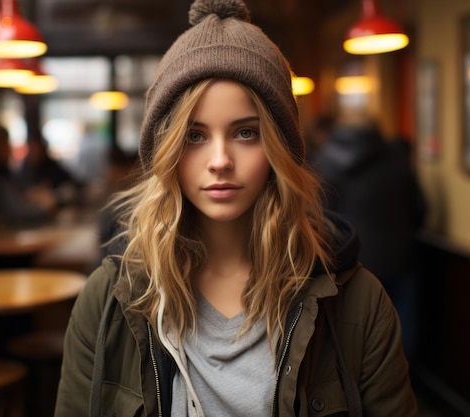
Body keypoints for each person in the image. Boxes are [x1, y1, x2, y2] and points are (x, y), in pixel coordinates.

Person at [55, 1, 418, 416]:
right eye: (194, 135)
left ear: (279, 148)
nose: (220, 160)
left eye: (246, 132)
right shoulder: (108, 302)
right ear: (166, 149)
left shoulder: (358, 304)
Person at [311, 119, 427, 364]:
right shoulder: (397, 162)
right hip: (399, 256)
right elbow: (420, 210)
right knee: (402, 319)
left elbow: (319, 220)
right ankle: (401, 376)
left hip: (350, 260)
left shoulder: (324, 164)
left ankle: (361, 383)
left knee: (354, 325)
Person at [0, 125, 56, 226]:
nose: (8, 148)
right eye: (4, 144)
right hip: (11, 233)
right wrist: (46, 208)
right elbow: (18, 212)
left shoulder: (8, 174)